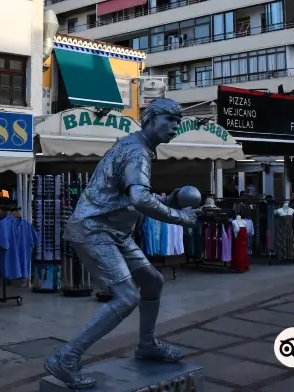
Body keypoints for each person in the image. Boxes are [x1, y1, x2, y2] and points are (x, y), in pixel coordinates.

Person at [44, 99, 199, 389]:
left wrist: (170, 200)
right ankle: (66, 358)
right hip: (94, 229)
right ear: (150, 118)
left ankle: (147, 345)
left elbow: (130, 199)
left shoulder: (136, 148)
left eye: (178, 122)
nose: (175, 127)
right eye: (169, 119)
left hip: (114, 231)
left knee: (152, 281)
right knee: (127, 297)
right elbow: (140, 200)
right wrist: (180, 217)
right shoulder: (137, 150)